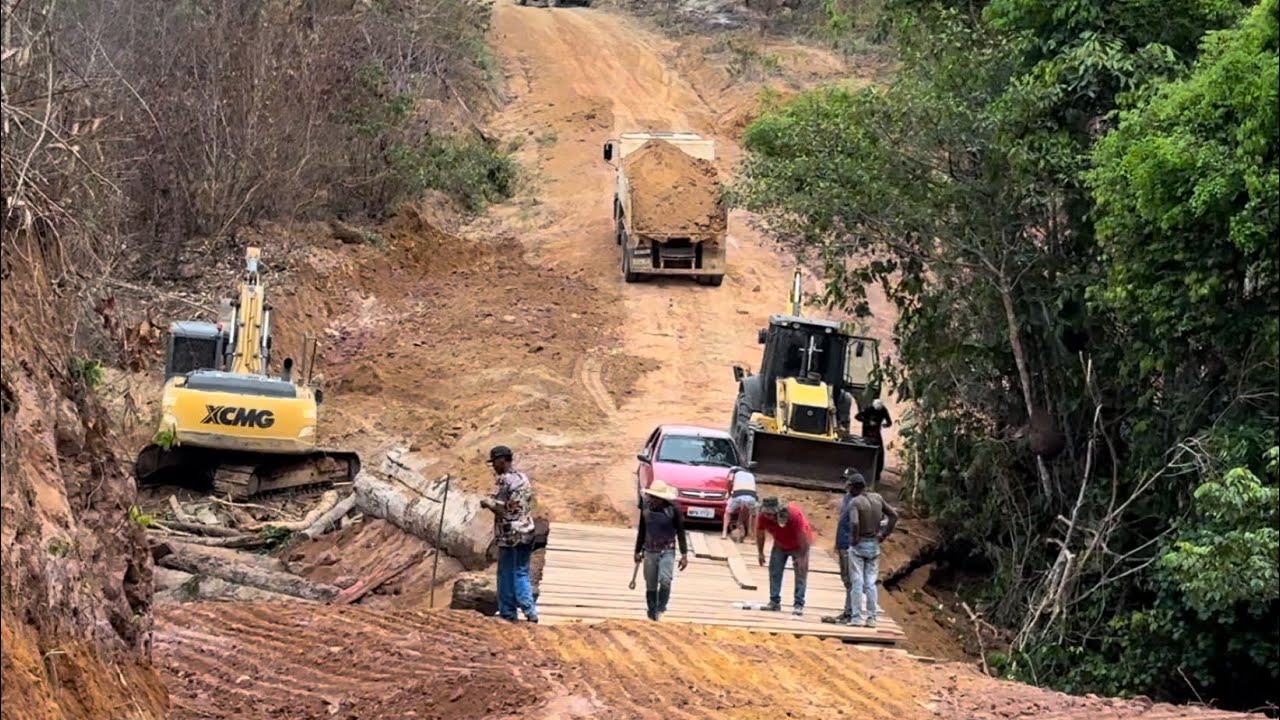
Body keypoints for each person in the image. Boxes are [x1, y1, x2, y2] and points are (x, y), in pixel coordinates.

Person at [480, 445, 538, 623]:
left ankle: (507, 612)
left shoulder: (505, 481)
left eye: (494, 463)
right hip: (527, 529)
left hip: (509, 534)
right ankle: (530, 611)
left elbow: (504, 509)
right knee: (521, 571)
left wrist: (488, 503)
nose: (493, 467)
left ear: (502, 460)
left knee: (506, 572)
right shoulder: (523, 478)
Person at [845, 472, 898, 628]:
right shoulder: (877, 498)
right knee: (870, 582)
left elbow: (854, 523)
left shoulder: (855, 502)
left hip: (859, 543)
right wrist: (884, 534)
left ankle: (856, 618)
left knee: (857, 580)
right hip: (874, 543)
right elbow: (894, 515)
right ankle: (872, 618)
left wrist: (854, 539)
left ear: (854, 488)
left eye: (848, 485)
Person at [633, 480, 690, 620]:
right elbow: (642, 530)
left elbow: (680, 532)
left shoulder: (673, 510)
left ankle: (661, 606)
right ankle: (652, 611)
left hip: (667, 550)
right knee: (651, 583)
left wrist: (684, 554)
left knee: (665, 580)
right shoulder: (646, 510)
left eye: (657, 498)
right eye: (653, 497)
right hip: (650, 550)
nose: (654, 500)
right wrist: (637, 551)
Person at [755, 496, 814, 616]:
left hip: (799, 545)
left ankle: (798, 604)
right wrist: (760, 552)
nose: (768, 517)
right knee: (774, 570)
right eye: (766, 513)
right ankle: (774, 601)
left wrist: (802, 557)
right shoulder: (762, 516)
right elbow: (760, 533)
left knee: (800, 573)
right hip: (780, 544)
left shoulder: (793, 515)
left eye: (771, 514)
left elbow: (802, 536)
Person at [821, 469, 862, 624]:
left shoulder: (859, 501)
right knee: (846, 579)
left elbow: (856, 524)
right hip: (842, 543)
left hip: (850, 545)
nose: (844, 483)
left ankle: (850, 613)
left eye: (847, 481)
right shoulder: (847, 498)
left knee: (851, 580)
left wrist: (854, 542)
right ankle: (848, 611)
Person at [854, 398, 893, 486]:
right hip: (867, 433)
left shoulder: (883, 410)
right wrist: (868, 422)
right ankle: (864, 472)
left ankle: (877, 474)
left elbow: (889, 422)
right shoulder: (869, 408)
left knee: (880, 452)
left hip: (876, 433)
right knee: (865, 451)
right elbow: (857, 416)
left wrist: (885, 425)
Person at [722, 467, 758, 542]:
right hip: (751, 495)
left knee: (727, 512)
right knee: (754, 515)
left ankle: (724, 533)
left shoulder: (734, 472)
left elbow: (730, 480)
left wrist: (729, 494)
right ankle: (753, 536)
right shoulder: (751, 475)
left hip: (738, 494)